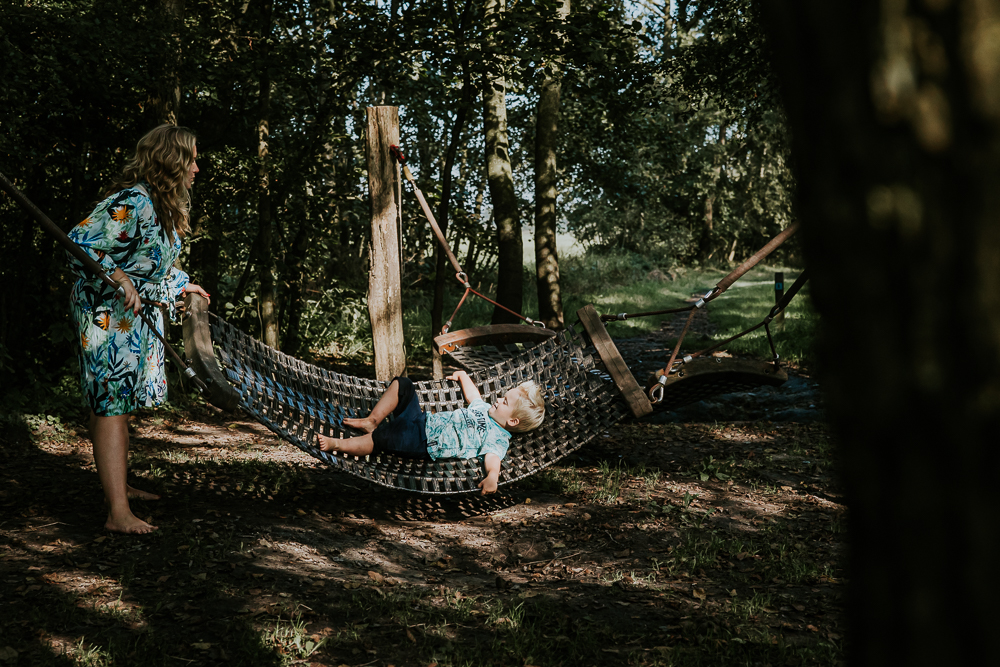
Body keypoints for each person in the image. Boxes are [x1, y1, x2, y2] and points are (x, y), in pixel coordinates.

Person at [67, 124, 211, 534]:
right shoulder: (133, 201)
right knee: (111, 403)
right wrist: (119, 278)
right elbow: (79, 241)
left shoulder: (158, 205)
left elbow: (148, 265)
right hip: (107, 315)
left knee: (118, 403)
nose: (197, 168)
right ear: (173, 160)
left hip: (129, 317)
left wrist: (182, 284)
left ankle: (119, 487)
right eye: (193, 158)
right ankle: (118, 513)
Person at [318, 371, 545, 495]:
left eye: (504, 401)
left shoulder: (498, 438)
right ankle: (372, 420)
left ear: (513, 421)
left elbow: (493, 459)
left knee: (383, 438)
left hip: (424, 442)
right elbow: (473, 396)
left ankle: (337, 444)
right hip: (423, 420)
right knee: (404, 384)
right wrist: (463, 376)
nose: (497, 400)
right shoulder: (485, 409)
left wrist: (493, 477)